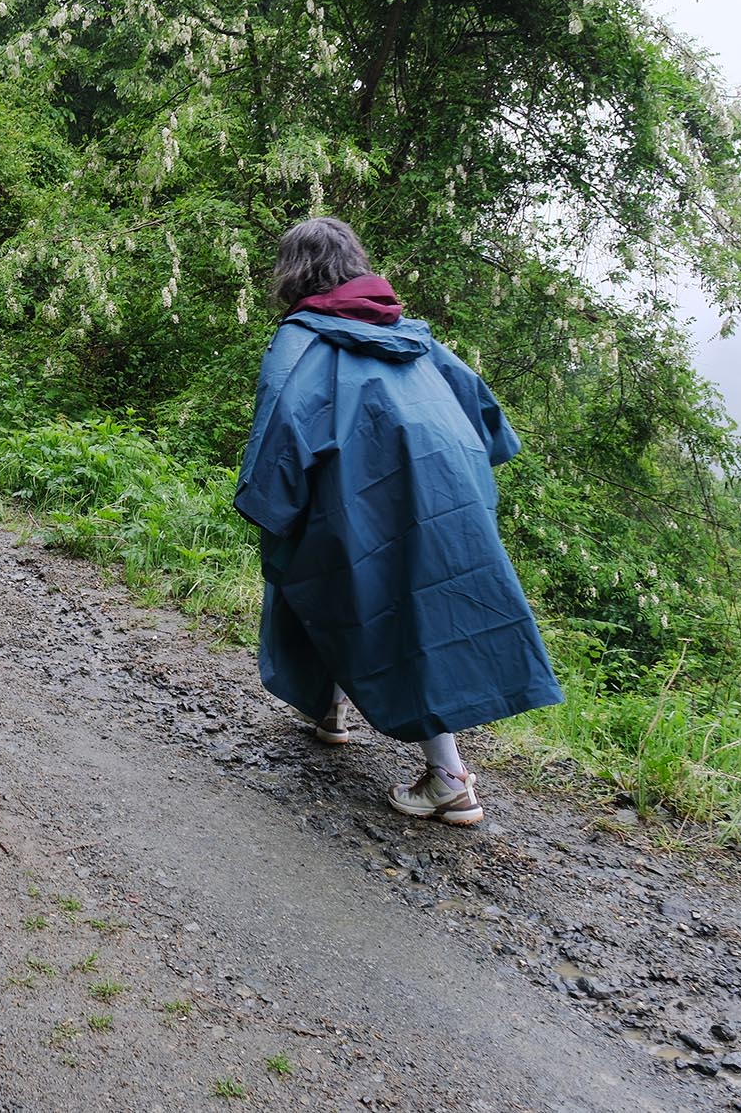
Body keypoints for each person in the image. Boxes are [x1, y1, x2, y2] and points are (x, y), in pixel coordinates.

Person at [232, 216, 562, 825]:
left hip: (366, 490)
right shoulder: (410, 333)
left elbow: (283, 427)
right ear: (354, 263)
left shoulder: (302, 337)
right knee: (375, 595)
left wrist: (268, 506)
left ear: (293, 271)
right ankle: (328, 710)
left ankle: (449, 779)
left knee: (359, 593)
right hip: (448, 486)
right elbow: (484, 414)